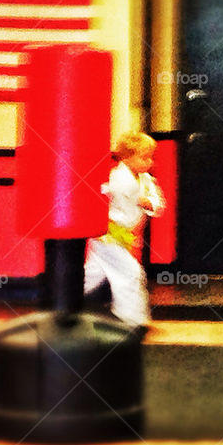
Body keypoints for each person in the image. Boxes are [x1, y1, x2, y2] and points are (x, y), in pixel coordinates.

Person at [84, 131, 165, 328]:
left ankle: (60, 299)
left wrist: (149, 203)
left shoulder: (146, 181)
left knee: (93, 275)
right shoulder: (115, 179)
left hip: (123, 235)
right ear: (126, 158)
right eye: (144, 157)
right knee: (130, 273)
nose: (149, 162)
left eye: (150, 158)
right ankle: (131, 319)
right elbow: (103, 193)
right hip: (108, 234)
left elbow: (158, 204)